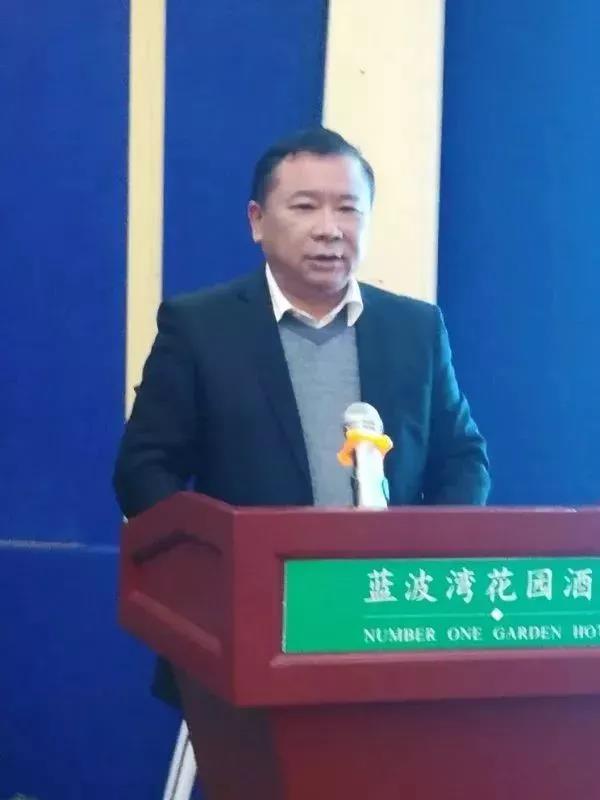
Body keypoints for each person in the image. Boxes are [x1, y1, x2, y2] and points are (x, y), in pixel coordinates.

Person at [114, 126, 490, 701]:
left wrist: (429, 563)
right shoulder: (201, 328)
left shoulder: (415, 328)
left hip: (387, 622)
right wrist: (214, 570)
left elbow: (463, 458)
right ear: (257, 221)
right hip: (247, 626)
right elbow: (144, 469)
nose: (329, 228)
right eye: (306, 206)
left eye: (348, 208)